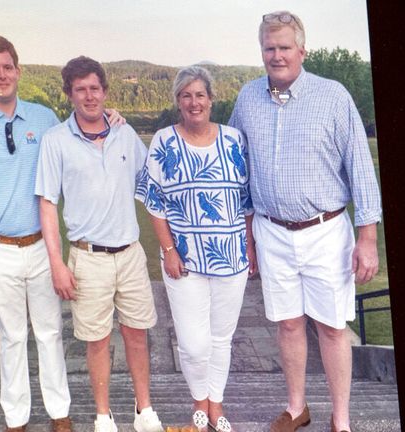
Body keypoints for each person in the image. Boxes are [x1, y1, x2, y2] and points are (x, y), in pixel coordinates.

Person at [0, 34, 123, 432]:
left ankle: (60, 413)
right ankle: (16, 418)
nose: (2, 75)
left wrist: (112, 118)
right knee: (11, 337)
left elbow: (79, 135)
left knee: (49, 332)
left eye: (8, 67)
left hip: (42, 246)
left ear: (18, 71)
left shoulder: (42, 118)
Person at [229, 11, 382, 432]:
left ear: (302, 50)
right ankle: (297, 408)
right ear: (262, 51)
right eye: (268, 48)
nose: (276, 55)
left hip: (326, 231)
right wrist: (248, 235)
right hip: (270, 231)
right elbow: (237, 168)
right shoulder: (247, 99)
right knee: (289, 324)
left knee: (333, 327)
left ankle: (341, 419)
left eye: (283, 47)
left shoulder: (333, 96)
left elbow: (360, 170)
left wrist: (367, 238)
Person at [35, 56, 164, 432]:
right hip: (87, 257)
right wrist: (57, 263)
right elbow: (47, 204)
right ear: (69, 95)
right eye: (81, 90)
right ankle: (104, 415)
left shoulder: (124, 133)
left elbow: (151, 181)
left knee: (138, 335)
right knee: (97, 341)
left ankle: (145, 411)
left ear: (105, 91)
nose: (89, 96)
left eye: (95, 88)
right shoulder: (55, 141)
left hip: (130, 253)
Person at [136, 66, 255, 432]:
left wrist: (250, 247)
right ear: (177, 102)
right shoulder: (164, 141)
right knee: (192, 343)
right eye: (186, 95)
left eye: (200, 94)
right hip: (183, 261)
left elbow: (247, 199)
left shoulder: (235, 139)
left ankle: (213, 405)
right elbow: (154, 201)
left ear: (211, 99)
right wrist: (168, 249)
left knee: (222, 337)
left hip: (231, 256)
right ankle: (197, 398)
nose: (193, 102)